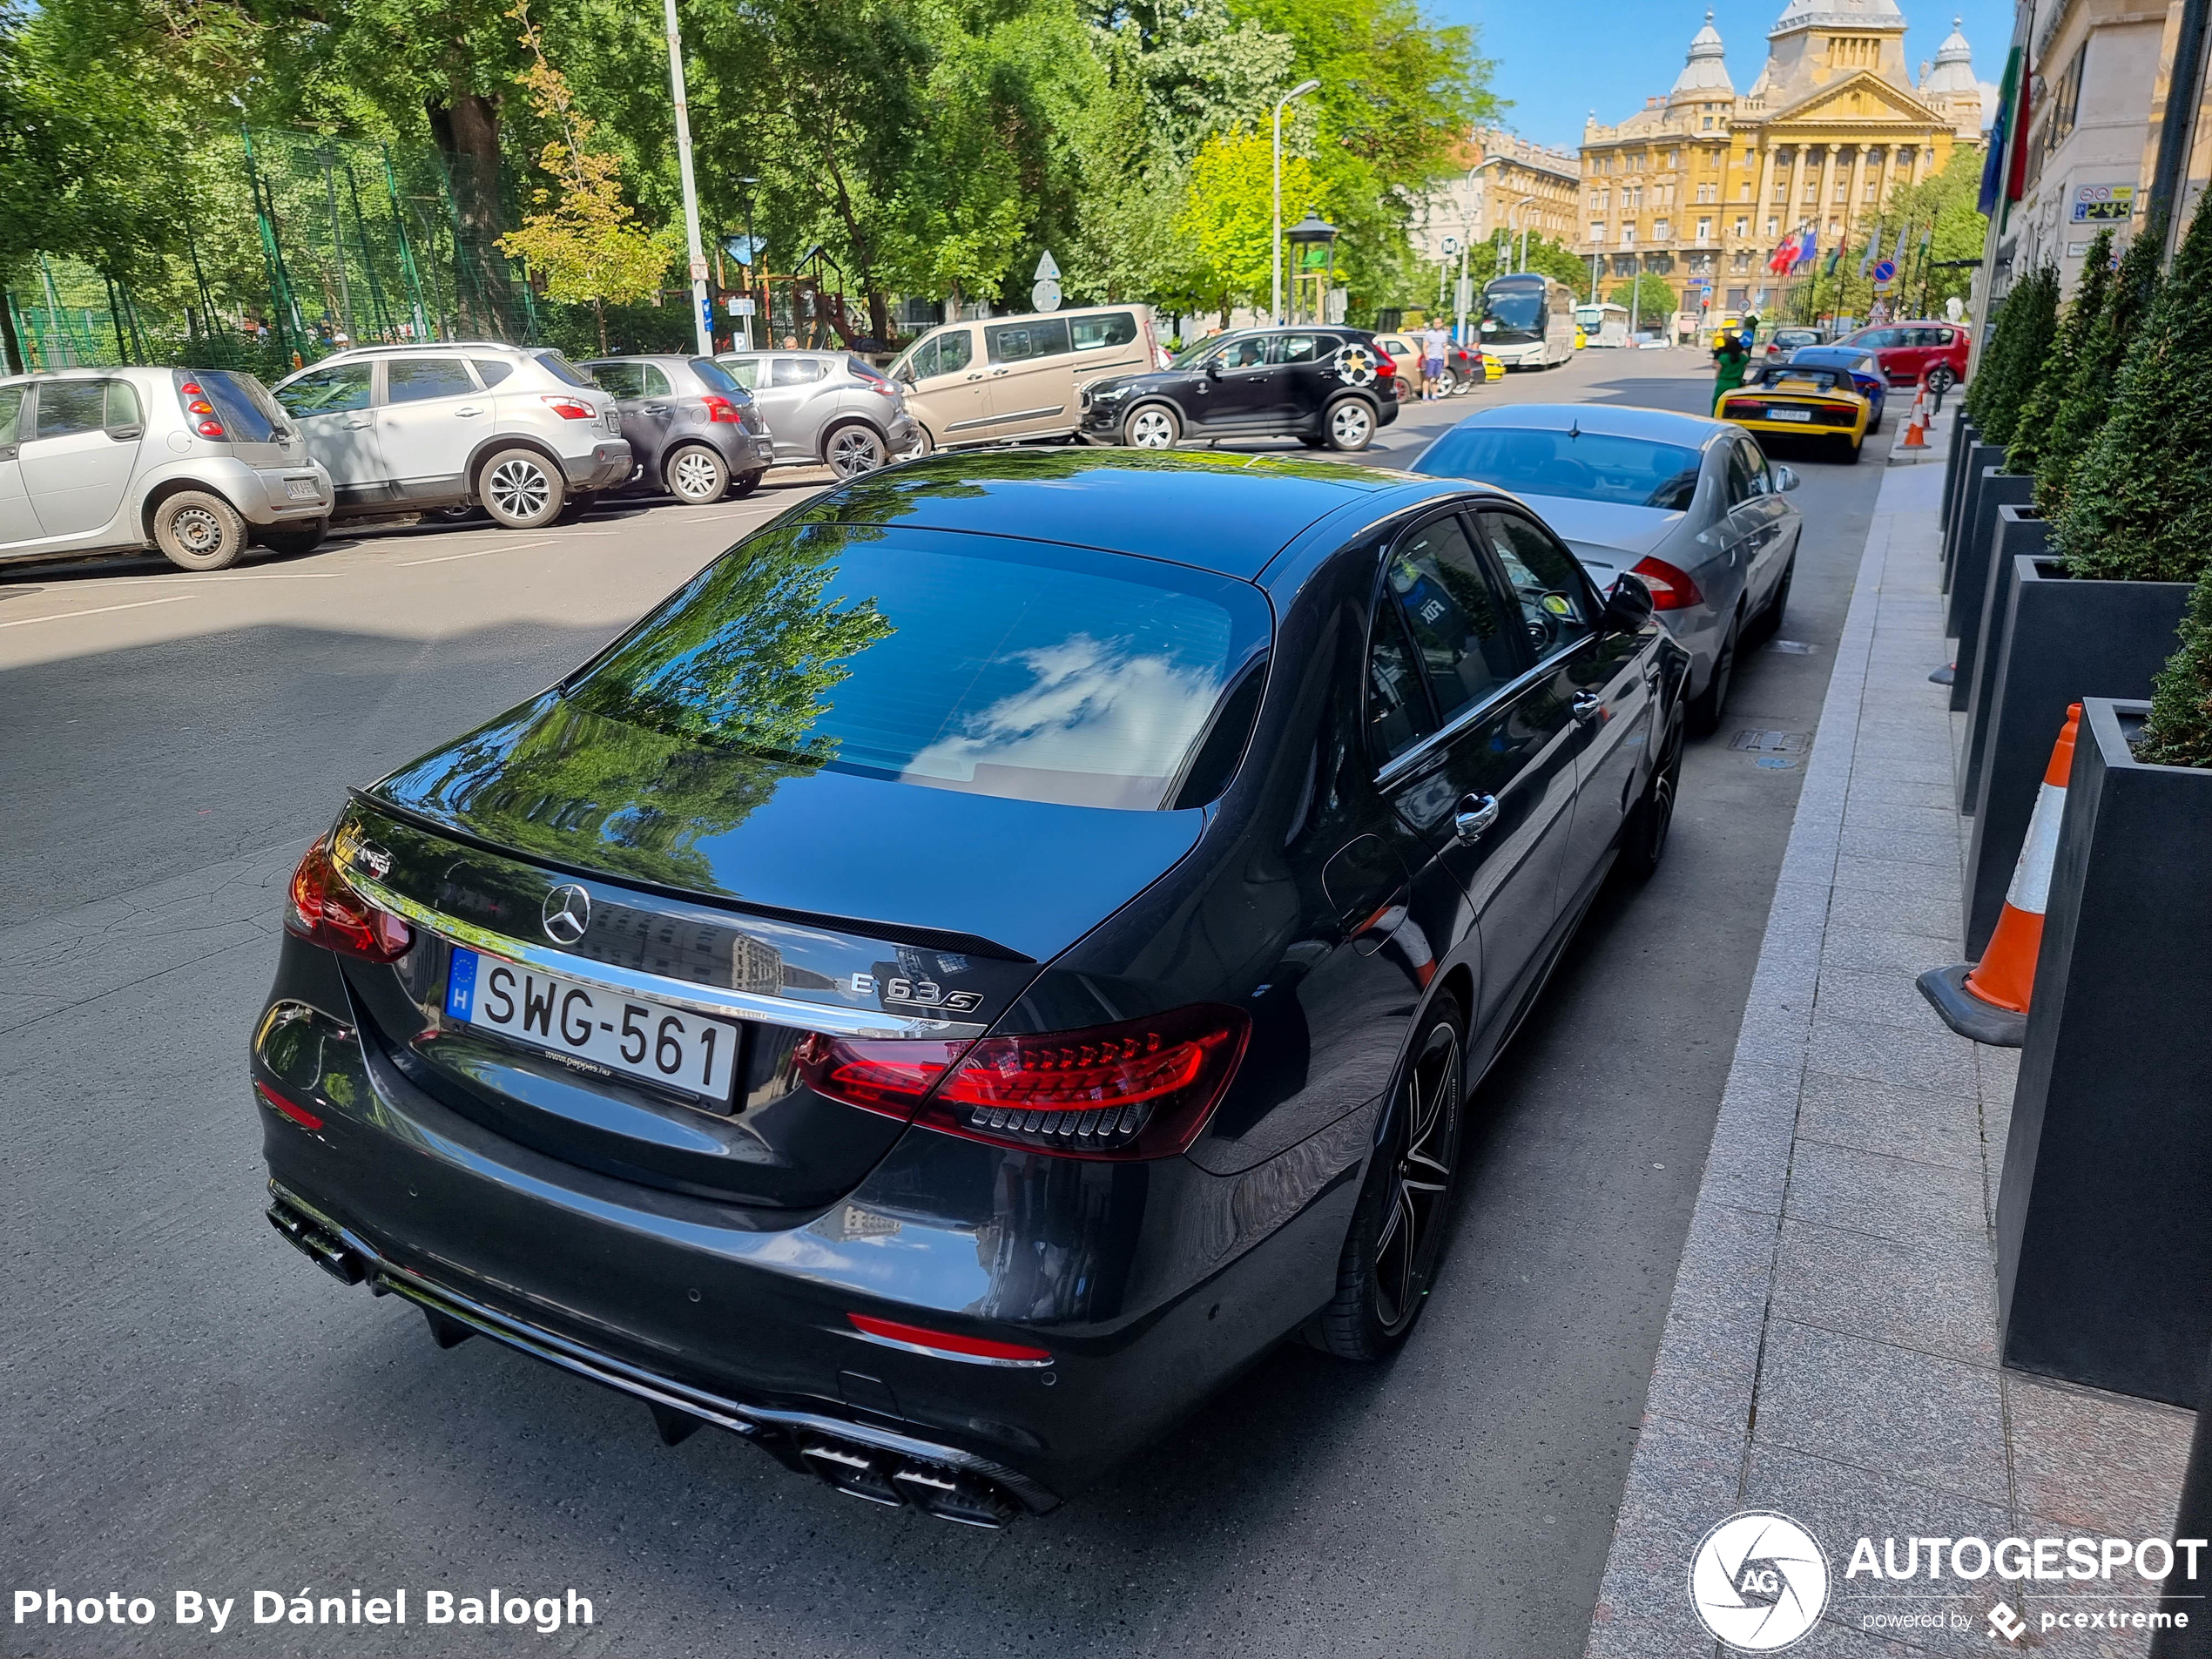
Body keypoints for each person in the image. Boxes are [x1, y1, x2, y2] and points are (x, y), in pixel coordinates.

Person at [1711, 327, 1750, 411]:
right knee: (1733, 406)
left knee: (1718, 403)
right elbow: (1746, 361)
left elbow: (1718, 370)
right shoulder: (1742, 358)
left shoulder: (1723, 357)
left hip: (1723, 383)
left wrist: (1717, 378)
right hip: (1736, 383)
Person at [1420, 320, 1449, 400]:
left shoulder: (1444, 334)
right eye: (1435, 323)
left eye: (1438, 323)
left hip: (1439, 358)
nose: (1436, 324)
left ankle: (1434, 395)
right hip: (1431, 358)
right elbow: (1425, 346)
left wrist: (1446, 359)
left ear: (1442, 324)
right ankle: (1425, 396)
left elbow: (1444, 348)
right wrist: (1427, 357)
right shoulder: (1429, 334)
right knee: (1428, 377)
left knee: (1436, 378)